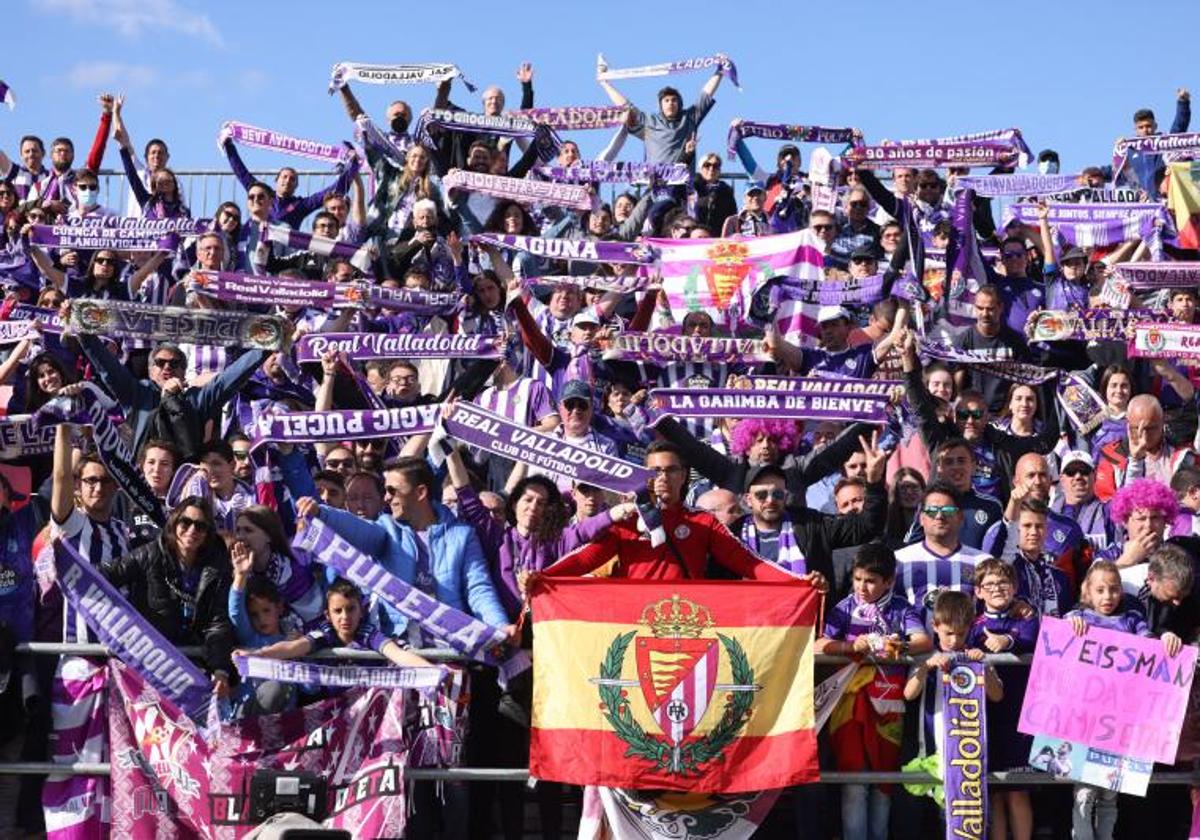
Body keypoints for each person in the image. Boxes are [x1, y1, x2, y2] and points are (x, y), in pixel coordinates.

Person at [546, 441, 811, 583]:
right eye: (655, 471)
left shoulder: (703, 522)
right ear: (645, 476)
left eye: (671, 470)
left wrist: (799, 582)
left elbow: (749, 563)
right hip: (633, 622)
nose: (663, 477)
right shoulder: (627, 521)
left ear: (683, 476)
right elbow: (584, 560)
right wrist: (543, 576)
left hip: (685, 625)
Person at [815, 542, 931, 840]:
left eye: (870, 581)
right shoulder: (845, 606)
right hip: (848, 706)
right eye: (857, 579)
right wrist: (849, 647)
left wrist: (899, 646)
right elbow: (819, 645)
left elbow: (923, 641)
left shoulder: (901, 608)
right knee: (854, 784)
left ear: (889, 581)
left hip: (889, 706)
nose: (862, 587)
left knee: (883, 784)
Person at [897, 590, 1002, 840]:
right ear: (934, 626)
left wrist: (982, 667)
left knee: (955, 821)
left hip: (964, 755)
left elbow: (997, 695)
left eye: (961, 634)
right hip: (928, 750)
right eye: (948, 634)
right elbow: (909, 693)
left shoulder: (976, 657)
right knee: (919, 820)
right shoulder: (925, 657)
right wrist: (925, 667)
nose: (954, 641)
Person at [100, 497, 234, 692]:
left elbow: (218, 622)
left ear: (208, 533)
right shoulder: (151, 553)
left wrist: (220, 670)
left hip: (194, 665)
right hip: (152, 663)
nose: (191, 531)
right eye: (185, 522)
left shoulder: (217, 565)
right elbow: (108, 574)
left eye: (200, 526)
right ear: (174, 522)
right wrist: (64, 559)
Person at [1064, 562, 1156, 840]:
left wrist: (1166, 637)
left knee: (1108, 795)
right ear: (1087, 591)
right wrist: (1069, 624)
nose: (1107, 596)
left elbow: (1151, 644)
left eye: (1114, 589)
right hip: (1084, 723)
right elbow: (1055, 634)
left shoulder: (1132, 620)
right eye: (1100, 590)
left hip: (1119, 723)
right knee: (1084, 792)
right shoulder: (1078, 616)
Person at [729, 430, 889, 583]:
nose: (770, 500)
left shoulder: (812, 525)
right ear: (748, 500)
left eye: (777, 494)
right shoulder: (731, 536)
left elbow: (866, 527)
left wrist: (874, 483)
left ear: (785, 497)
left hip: (805, 610)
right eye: (761, 495)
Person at [967, 559, 1039, 840]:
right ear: (978, 591)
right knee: (993, 791)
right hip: (986, 716)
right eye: (990, 584)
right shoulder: (974, 626)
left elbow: (1031, 635)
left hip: (1020, 715)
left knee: (1018, 791)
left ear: (1014, 587)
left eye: (1003, 583)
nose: (997, 588)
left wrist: (1006, 641)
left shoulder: (1026, 617)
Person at [236, 578, 430, 670]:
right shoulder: (325, 633)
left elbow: (397, 654)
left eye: (351, 609)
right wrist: (256, 654)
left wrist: (435, 671)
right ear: (327, 615)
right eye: (337, 611)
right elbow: (293, 647)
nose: (345, 617)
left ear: (361, 611)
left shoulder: (368, 633)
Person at [894, 482, 992, 630]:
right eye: (932, 510)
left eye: (947, 510)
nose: (939, 516)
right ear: (921, 518)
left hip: (967, 652)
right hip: (914, 652)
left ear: (960, 517)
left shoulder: (982, 562)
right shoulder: (899, 560)